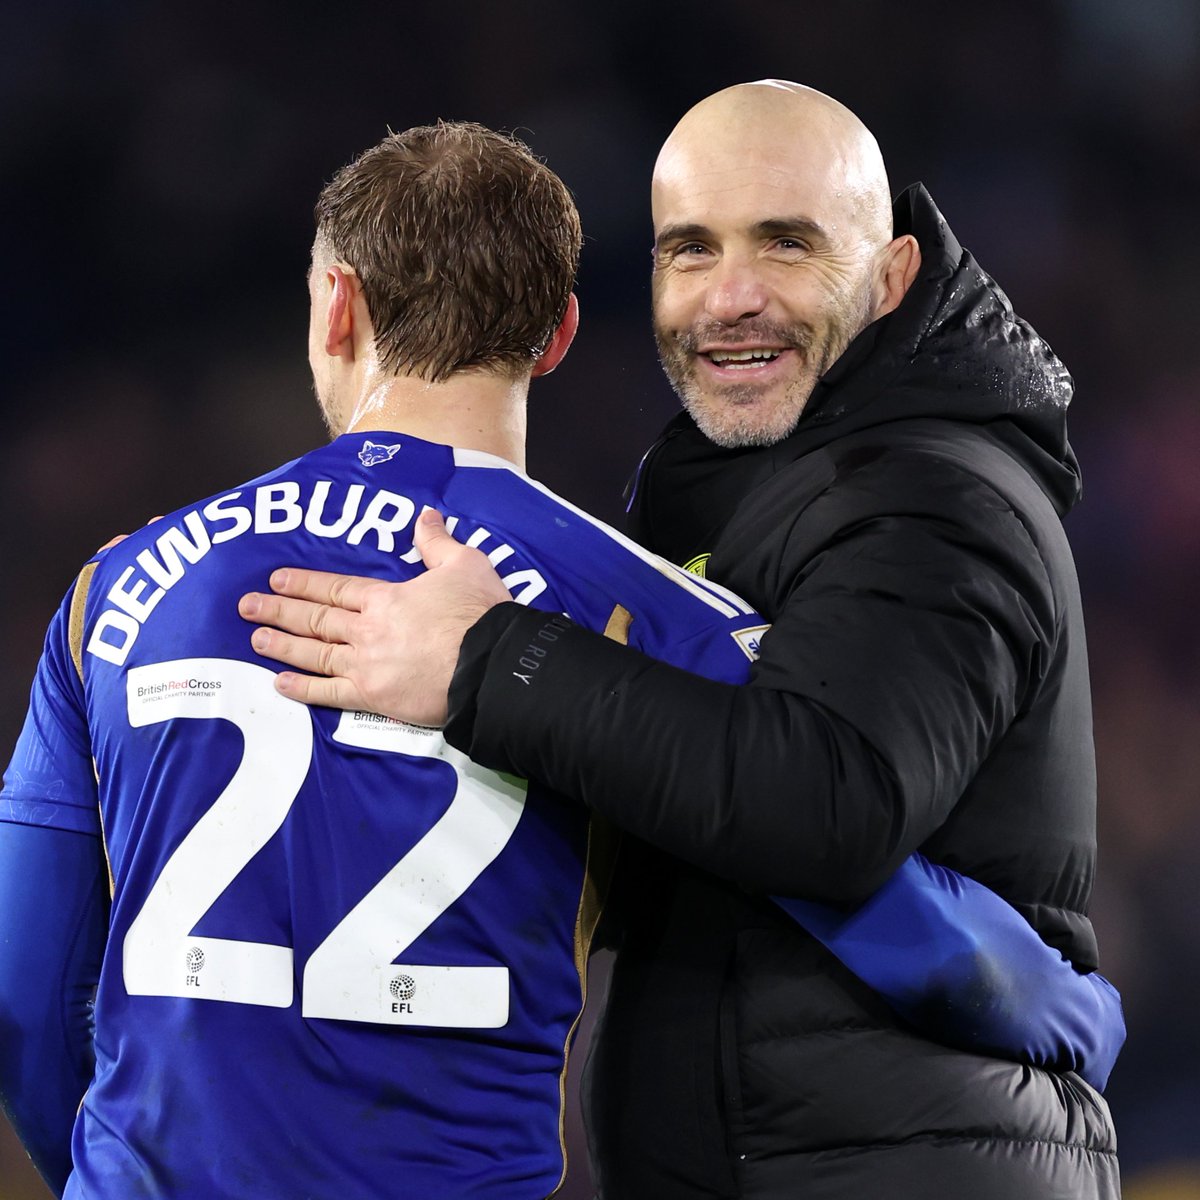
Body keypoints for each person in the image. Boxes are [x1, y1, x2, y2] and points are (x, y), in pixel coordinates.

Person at [244, 83, 1121, 1197]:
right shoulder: (722, 494)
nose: (731, 298)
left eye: (787, 244)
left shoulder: (933, 493)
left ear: (893, 276)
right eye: (690, 250)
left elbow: (829, 805)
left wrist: (491, 661)